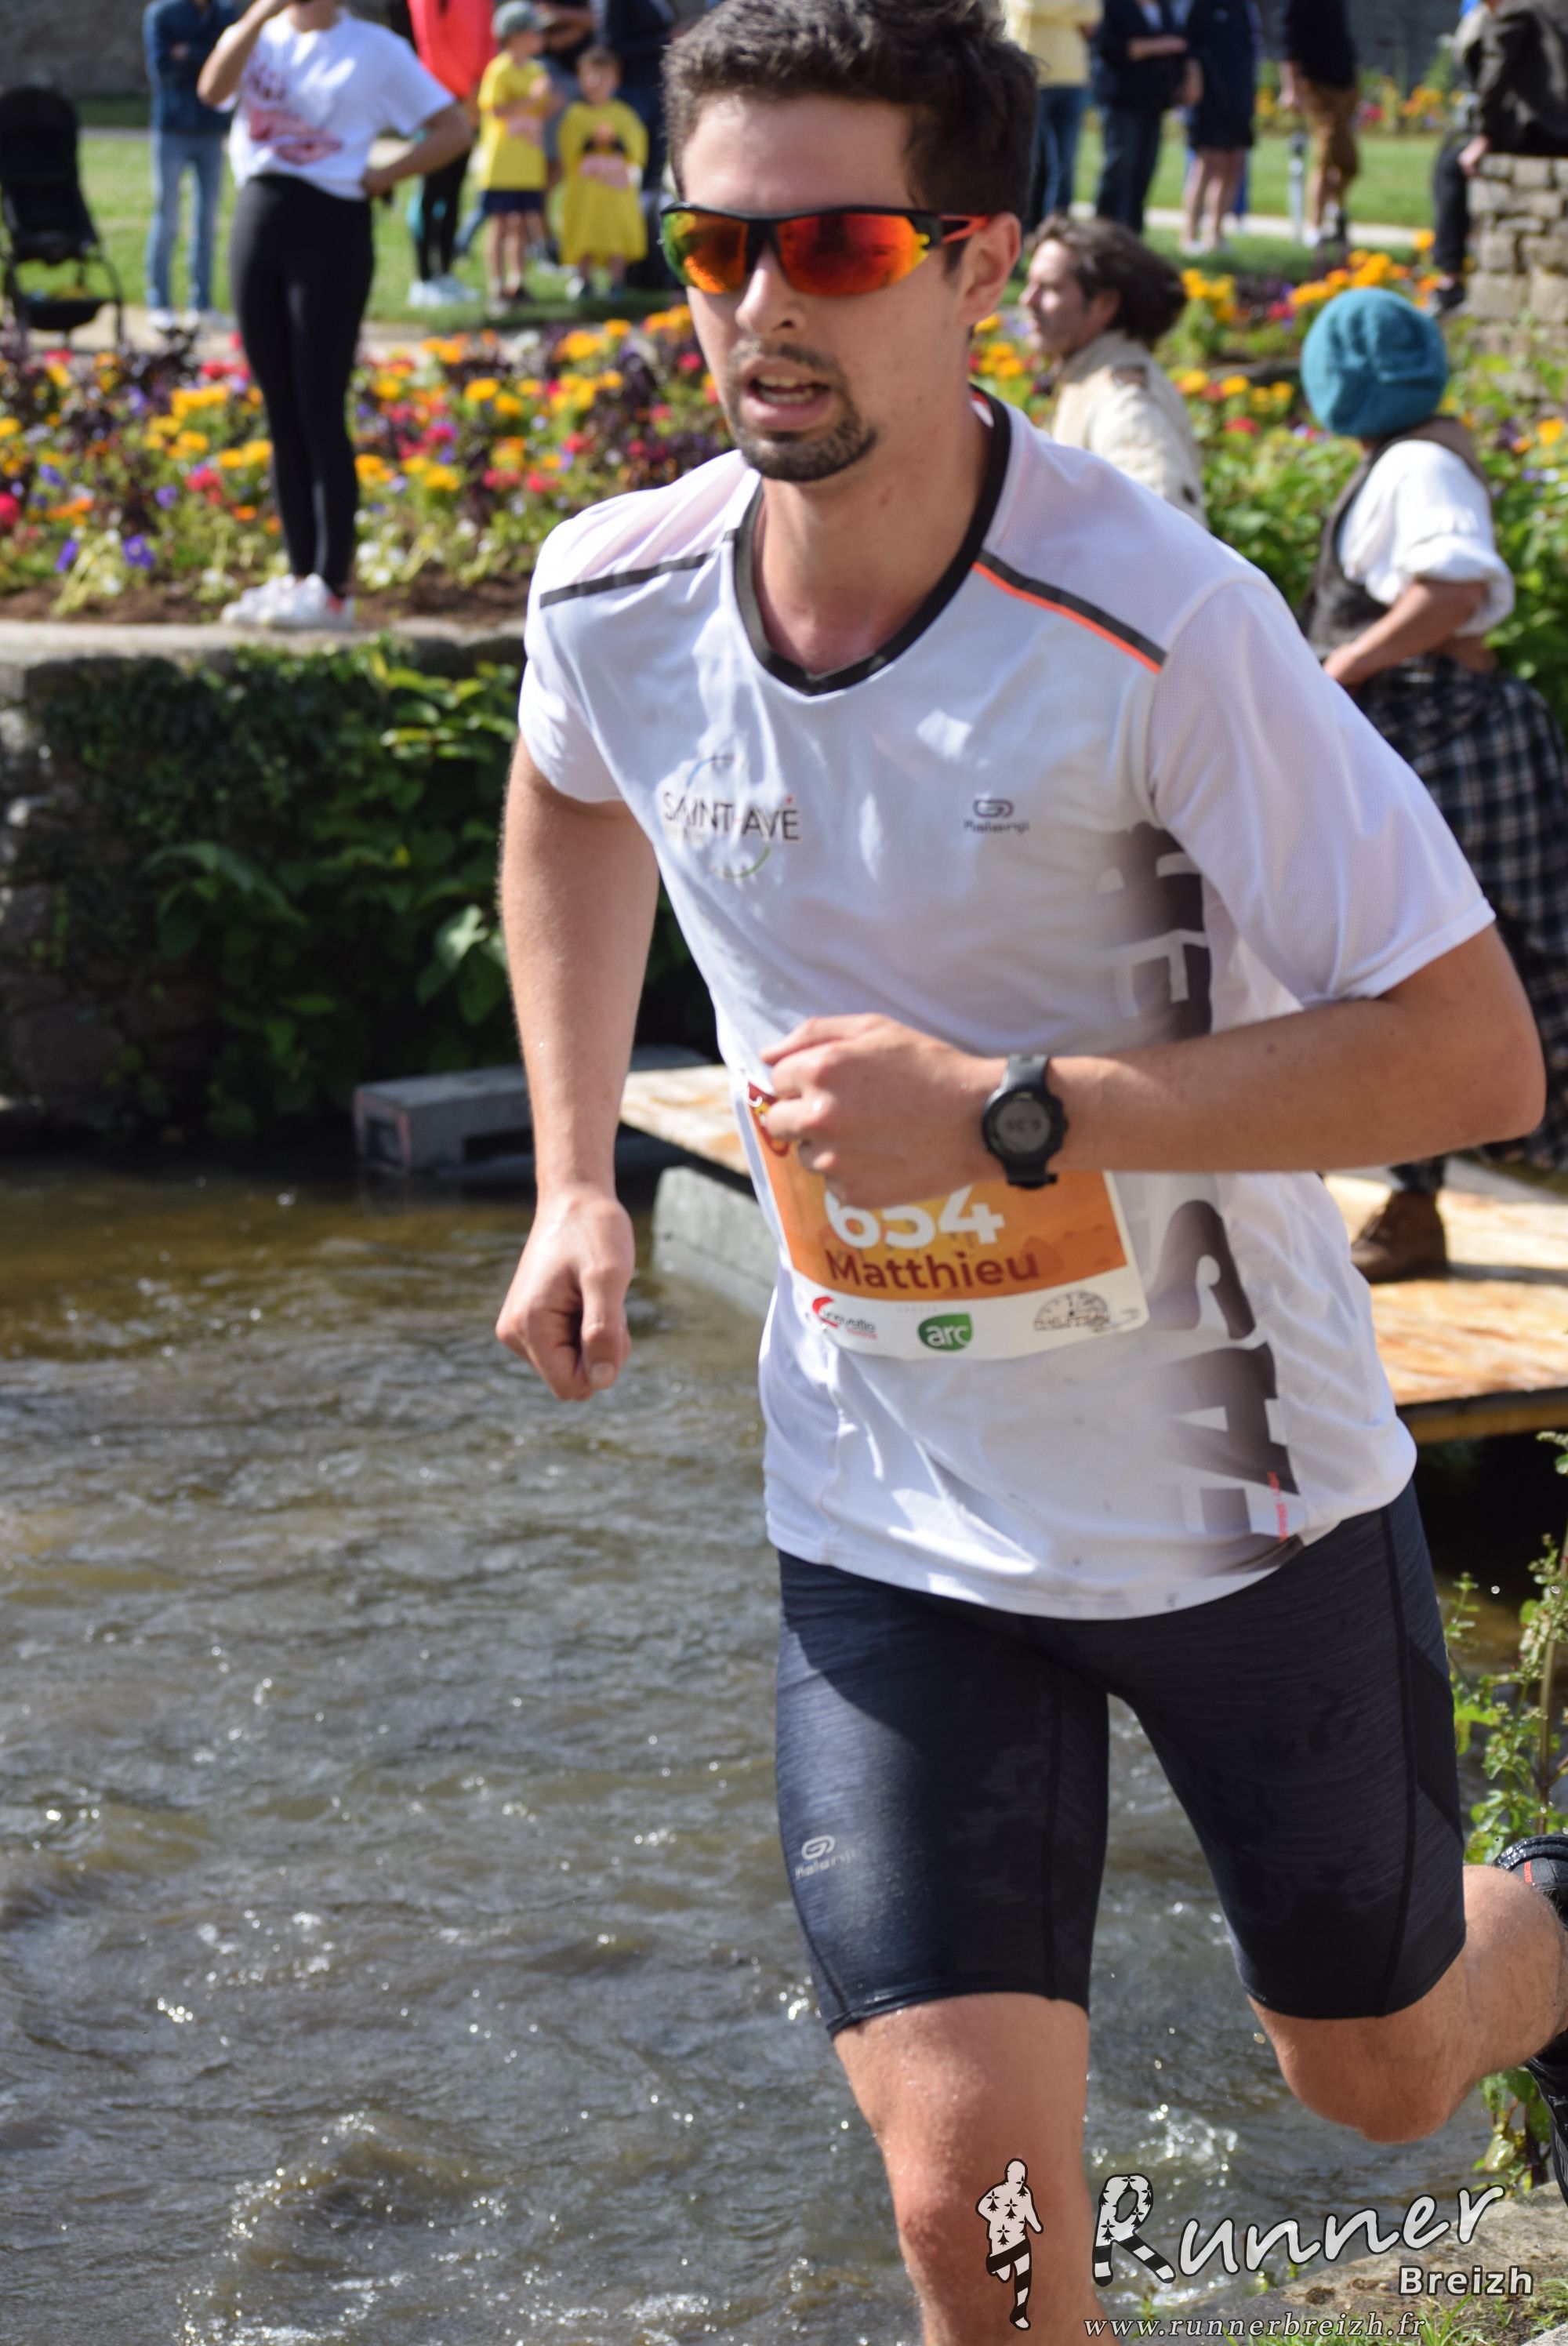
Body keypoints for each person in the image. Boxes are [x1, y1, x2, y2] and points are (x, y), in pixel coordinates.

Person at [494, 2, 1568, 2338]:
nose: (758, 305)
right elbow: (570, 798)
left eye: (835, 244)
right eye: (711, 245)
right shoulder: (613, 593)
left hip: (1235, 1506)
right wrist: (578, 1173)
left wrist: (1013, 1108)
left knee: (1376, 2068)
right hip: (885, 1514)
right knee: (966, 2218)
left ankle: (1552, 1918)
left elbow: (1469, 1051)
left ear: (980, 260)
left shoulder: (1155, 622)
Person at [1299, 286, 1568, 1283]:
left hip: (1450, 740)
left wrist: (1340, 667)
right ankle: (1407, 1210)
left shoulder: (1418, 466)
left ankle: (1409, 1205)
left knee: (1494, 969)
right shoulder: (1404, 458)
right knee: (1394, 972)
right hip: (1417, 740)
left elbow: (1449, 587)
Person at [198, 0, 470, 630]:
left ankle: (333, 586)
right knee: (279, 407)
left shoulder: (375, 48)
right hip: (260, 218)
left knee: (319, 405)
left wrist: (385, 175)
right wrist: (256, 17)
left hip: (331, 225)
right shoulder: (260, 35)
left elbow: (453, 128)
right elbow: (211, 91)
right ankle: (300, 575)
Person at [1023, 215, 1207, 522]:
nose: (1028, 299)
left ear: (1103, 305)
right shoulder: (1089, 377)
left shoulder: (1126, 406)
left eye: (1051, 288)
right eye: (1031, 284)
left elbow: (1162, 521)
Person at [143, 0, 237, 334]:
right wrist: (208, 58)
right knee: (167, 217)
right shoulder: (163, 13)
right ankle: (159, 304)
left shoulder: (225, 13)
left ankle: (202, 305)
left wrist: (190, 52)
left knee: (206, 222)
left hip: (211, 130)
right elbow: (162, 68)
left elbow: (232, 67)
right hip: (172, 128)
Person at [405, 0, 494, 306]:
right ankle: (423, 278)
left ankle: (445, 273)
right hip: (435, 99)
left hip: (470, 102)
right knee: (430, 191)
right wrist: (467, 92)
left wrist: (479, 91)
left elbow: (487, 39)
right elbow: (430, 43)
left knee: (453, 191)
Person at [474, 2, 558, 310]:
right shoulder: (499, 69)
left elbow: (540, 113)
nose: (539, 37)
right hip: (502, 164)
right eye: (533, 31)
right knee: (500, 224)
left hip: (527, 163)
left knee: (521, 224)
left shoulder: (537, 71)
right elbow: (495, 110)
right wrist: (532, 99)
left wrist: (549, 103)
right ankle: (496, 285)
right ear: (515, 36)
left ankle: (517, 282)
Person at [1091, 0, 1196, 236]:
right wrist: (1159, 45)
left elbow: (1182, 44)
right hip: (1122, 99)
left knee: (1145, 167)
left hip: (1154, 101)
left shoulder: (1163, 8)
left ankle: (1133, 234)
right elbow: (1109, 47)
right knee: (1120, 164)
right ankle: (1103, 231)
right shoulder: (1114, 6)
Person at [1004, 0, 1103, 233]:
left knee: (1065, 164)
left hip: (1073, 79)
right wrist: (1074, 9)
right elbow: (1032, 6)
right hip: (1030, 75)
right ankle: (1020, 232)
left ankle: (1055, 232)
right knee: (1026, 161)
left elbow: (1094, 11)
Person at [558, 45, 648, 292]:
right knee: (584, 233)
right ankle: (584, 280)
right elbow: (569, 150)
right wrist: (592, 142)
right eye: (590, 75)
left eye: (603, 76)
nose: (596, 82)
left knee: (615, 234)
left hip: (615, 192)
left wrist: (615, 142)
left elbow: (636, 150)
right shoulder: (575, 115)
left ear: (615, 80)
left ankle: (617, 282)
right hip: (586, 192)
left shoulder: (624, 115)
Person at [1279, 0, 1359, 249]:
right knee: (1326, 156)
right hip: (1316, 84)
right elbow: (1288, 42)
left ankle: (1335, 208)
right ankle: (1315, 224)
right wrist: (1291, 88)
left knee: (1349, 164)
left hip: (1344, 81)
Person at [1179, 0, 1255, 256]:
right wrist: (1192, 82)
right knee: (1207, 164)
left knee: (1234, 163)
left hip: (1238, 96)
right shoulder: (1200, 6)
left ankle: (1216, 235)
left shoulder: (1241, 7)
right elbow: (1189, 48)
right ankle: (1189, 235)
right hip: (1209, 98)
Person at [978, 2159, 1044, 2332]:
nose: (1021, 2180)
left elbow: (1029, 2212)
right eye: (1018, 2176)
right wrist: (996, 2218)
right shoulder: (998, 2191)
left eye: (1023, 2176)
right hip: (1002, 2240)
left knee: (1024, 2275)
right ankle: (992, 2263)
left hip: (1021, 2240)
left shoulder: (1025, 2193)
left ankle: (1019, 2314)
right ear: (1009, 2176)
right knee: (1004, 2274)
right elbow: (982, 2207)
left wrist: (1036, 2226)